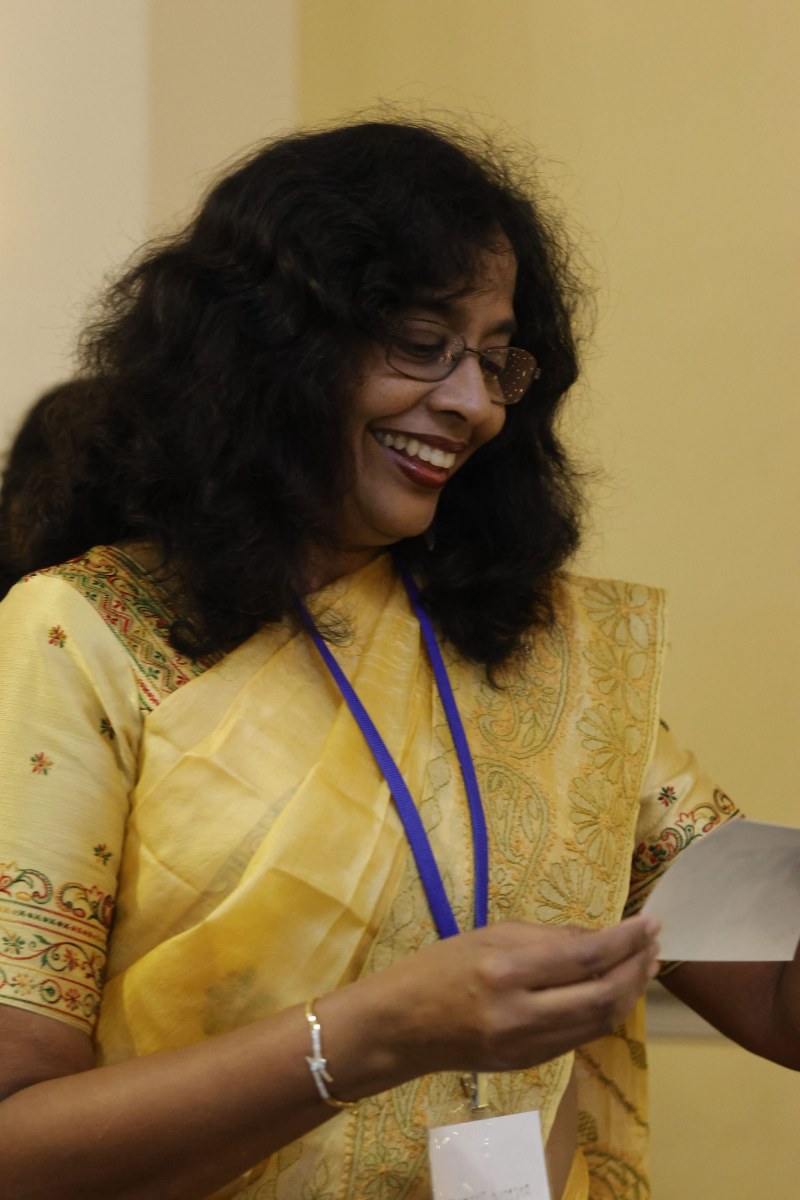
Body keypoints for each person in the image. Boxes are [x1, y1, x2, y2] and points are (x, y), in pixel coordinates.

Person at [0, 119, 796, 1200]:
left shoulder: (536, 651)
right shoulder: (89, 634)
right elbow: (18, 1141)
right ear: (270, 345)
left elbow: (775, 995)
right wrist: (367, 1037)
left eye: (495, 360)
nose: (473, 404)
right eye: (422, 343)